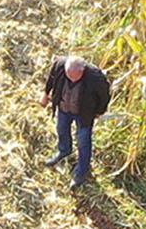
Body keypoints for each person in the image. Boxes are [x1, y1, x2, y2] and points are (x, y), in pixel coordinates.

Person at [43, 53, 112, 185]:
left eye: (76, 78)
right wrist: (46, 94)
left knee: (83, 140)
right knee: (61, 129)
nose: (72, 80)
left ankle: (82, 171)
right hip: (64, 108)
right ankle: (64, 151)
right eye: (69, 76)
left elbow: (104, 95)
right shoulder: (59, 65)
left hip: (84, 113)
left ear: (83, 70)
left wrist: (99, 111)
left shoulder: (95, 77)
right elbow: (51, 79)